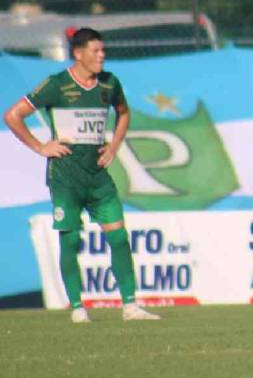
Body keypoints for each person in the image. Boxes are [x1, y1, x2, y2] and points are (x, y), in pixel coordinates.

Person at [3, 28, 160, 323]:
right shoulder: (57, 85)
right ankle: (77, 307)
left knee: (118, 238)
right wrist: (40, 146)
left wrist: (114, 145)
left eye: (103, 50)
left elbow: (123, 113)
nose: (102, 55)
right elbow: (13, 115)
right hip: (66, 178)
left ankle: (130, 306)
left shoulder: (109, 83)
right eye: (96, 51)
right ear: (78, 54)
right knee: (71, 240)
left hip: (98, 177)